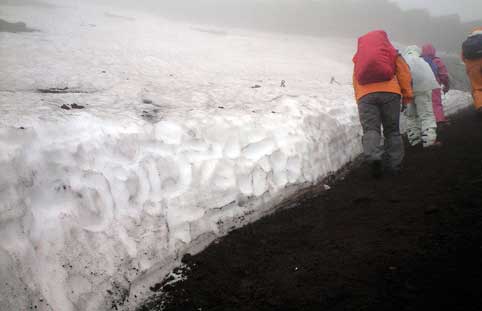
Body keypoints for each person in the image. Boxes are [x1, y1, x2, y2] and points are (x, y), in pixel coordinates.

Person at [353, 30, 413, 177]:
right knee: (392, 130)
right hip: (390, 93)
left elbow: (355, 79)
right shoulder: (392, 52)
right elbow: (404, 75)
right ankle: (394, 166)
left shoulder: (360, 57)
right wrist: (406, 96)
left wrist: (360, 99)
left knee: (371, 129)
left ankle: (374, 157)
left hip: (365, 96)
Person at [402, 46, 440, 148]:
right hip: (423, 88)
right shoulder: (422, 59)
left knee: (411, 115)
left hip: (408, 90)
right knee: (426, 114)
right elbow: (435, 70)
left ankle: (414, 139)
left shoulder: (403, 60)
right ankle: (429, 140)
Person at [421, 44, 450, 124]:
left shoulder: (420, 60)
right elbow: (444, 75)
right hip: (434, 84)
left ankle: (426, 123)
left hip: (422, 85)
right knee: (436, 103)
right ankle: (439, 120)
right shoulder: (437, 61)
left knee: (424, 104)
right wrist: (446, 85)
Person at [462, 27, 482, 114]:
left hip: (472, 68)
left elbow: (463, 58)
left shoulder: (467, 43)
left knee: (477, 88)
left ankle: (480, 105)